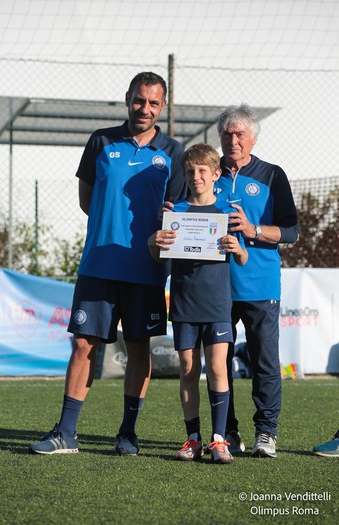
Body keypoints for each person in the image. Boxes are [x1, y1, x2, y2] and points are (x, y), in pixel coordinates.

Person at [30, 71, 186, 456]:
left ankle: (127, 433)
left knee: (137, 346)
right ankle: (66, 432)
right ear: (127, 98)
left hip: (147, 270)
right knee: (83, 344)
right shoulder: (100, 140)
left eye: (153, 103)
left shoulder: (174, 152)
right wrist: (108, 223)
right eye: (139, 100)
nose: (144, 108)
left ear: (162, 107)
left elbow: (177, 214)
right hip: (99, 263)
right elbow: (87, 200)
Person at [149, 143, 248, 463]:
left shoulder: (228, 213)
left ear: (216, 174)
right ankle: (192, 438)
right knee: (189, 370)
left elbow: (244, 258)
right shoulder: (173, 212)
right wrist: (155, 241)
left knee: (218, 368)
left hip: (218, 304)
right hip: (184, 304)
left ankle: (219, 440)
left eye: (203, 171)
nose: (196, 177)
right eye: (190, 171)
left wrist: (236, 247)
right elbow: (156, 254)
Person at [214, 104, 299, 458]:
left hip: (261, 284)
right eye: (227, 134)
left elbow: (292, 232)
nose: (233, 140)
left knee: (264, 361)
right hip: (215, 285)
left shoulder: (272, 174)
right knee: (219, 364)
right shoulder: (205, 171)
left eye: (240, 134)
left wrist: (254, 230)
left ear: (253, 137)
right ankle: (228, 433)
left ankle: (266, 433)